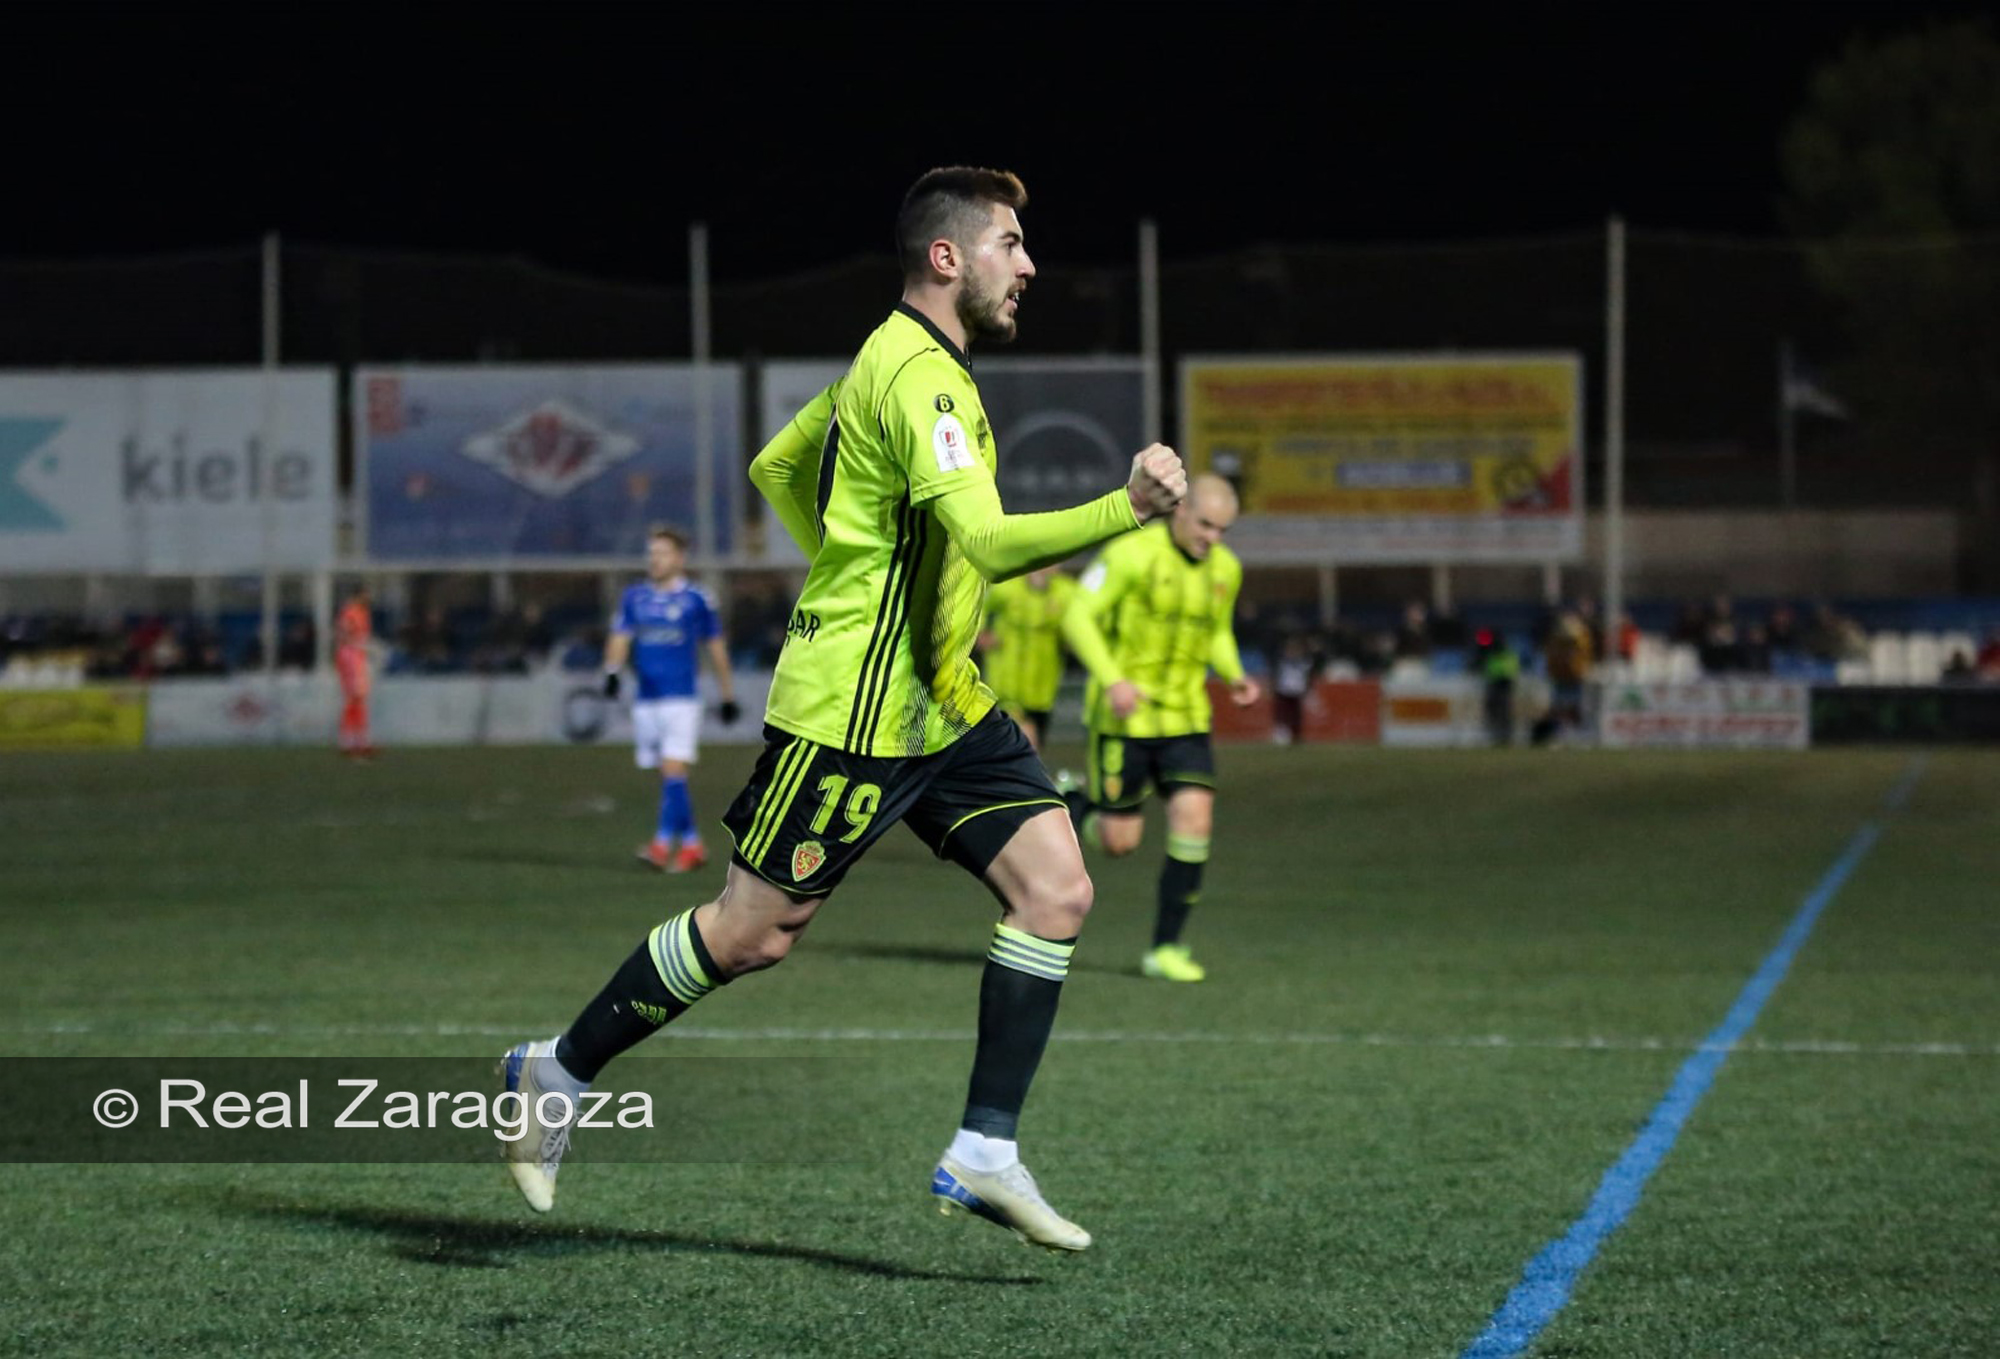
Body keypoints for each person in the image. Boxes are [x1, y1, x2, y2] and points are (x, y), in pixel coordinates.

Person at [499, 166, 1188, 1253]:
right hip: (852, 719)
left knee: (1055, 890)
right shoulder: (922, 381)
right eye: (1010, 243)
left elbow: (779, 464)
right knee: (750, 935)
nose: (1029, 264)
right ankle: (555, 1071)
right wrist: (1128, 506)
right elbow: (994, 543)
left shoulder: (898, 361)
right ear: (947, 258)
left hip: (942, 703)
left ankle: (984, 1152)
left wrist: (843, 567)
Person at [1057, 473, 1260, 983]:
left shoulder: (1226, 570)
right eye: (1206, 524)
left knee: (1195, 822)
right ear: (1180, 509)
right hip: (1125, 719)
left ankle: (1166, 948)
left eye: (1223, 530)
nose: (1213, 538)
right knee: (1119, 842)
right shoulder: (1129, 554)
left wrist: (1234, 675)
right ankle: (1072, 803)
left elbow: (1215, 631)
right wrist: (1113, 681)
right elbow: (1077, 616)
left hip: (1186, 717)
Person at [603, 525, 742, 873]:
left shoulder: (697, 599)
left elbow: (715, 646)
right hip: (646, 699)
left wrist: (727, 694)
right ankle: (693, 844)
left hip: (681, 698)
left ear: (680, 558)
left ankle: (661, 846)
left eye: (662, 553)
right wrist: (612, 672)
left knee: (673, 769)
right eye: (651, 553)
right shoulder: (634, 596)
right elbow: (620, 636)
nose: (655, 559)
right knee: (667, 776)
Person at [977, 565, 1078, 751]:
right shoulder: (1006, 587)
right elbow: (978, 606)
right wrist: (980, 633)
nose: (1045, 568)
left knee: (1030, 751)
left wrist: (1071, 640)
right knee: (1025, 743)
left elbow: (1080, 624)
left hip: (1043, 692)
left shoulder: (1066, 592)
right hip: (1007, 687)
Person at [335, 587, 376, 760]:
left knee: (358, 700)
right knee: (354, 699)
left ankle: (359, 741)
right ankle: (351, 742)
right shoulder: (350, 613)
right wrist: (360, 645)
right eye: (365, 594)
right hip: (350, 655)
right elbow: (343, 635)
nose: (368, 598)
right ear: (358, 596)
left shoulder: (363, 613)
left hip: (357, 656)